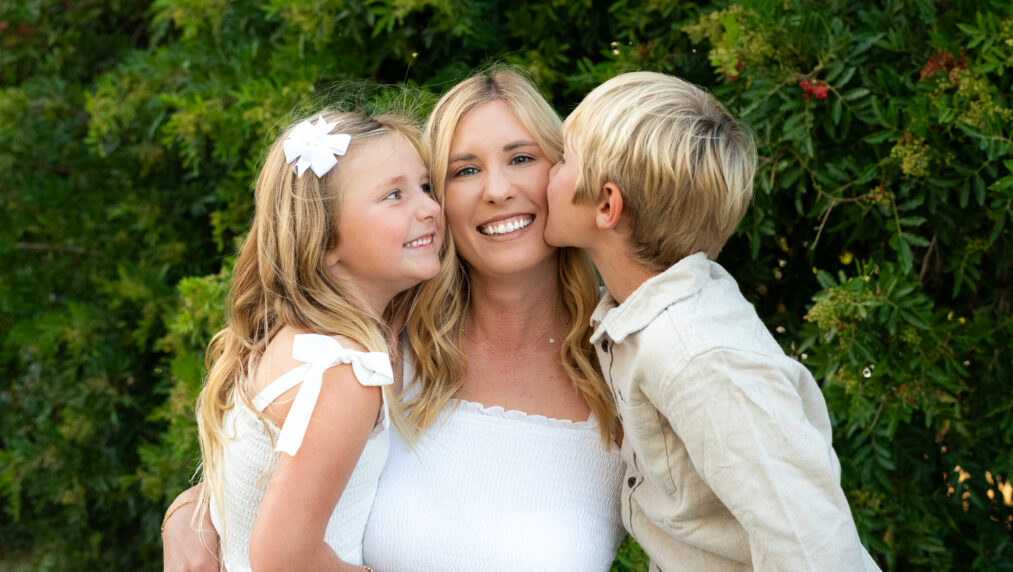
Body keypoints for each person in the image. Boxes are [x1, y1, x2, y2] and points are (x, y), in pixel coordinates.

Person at [162, 70, 625, 571]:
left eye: (521, 158)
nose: (496, 189)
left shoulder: (627, 359)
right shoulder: (381, 343)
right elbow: (263, 481)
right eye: (463, 170)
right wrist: (187, 516)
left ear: (562, 174)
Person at [544, 70, 882, 571]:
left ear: (607, 205)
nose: (548, 171)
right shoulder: (643, 317)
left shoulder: (698, 355)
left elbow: (818, 554)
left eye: (564, 159)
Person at [185, 110, 441, 571]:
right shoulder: (344, 371)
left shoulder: (296, 338)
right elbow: (283, 558)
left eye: (425, 187)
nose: (430, 208)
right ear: (325, 242)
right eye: (394, 195)